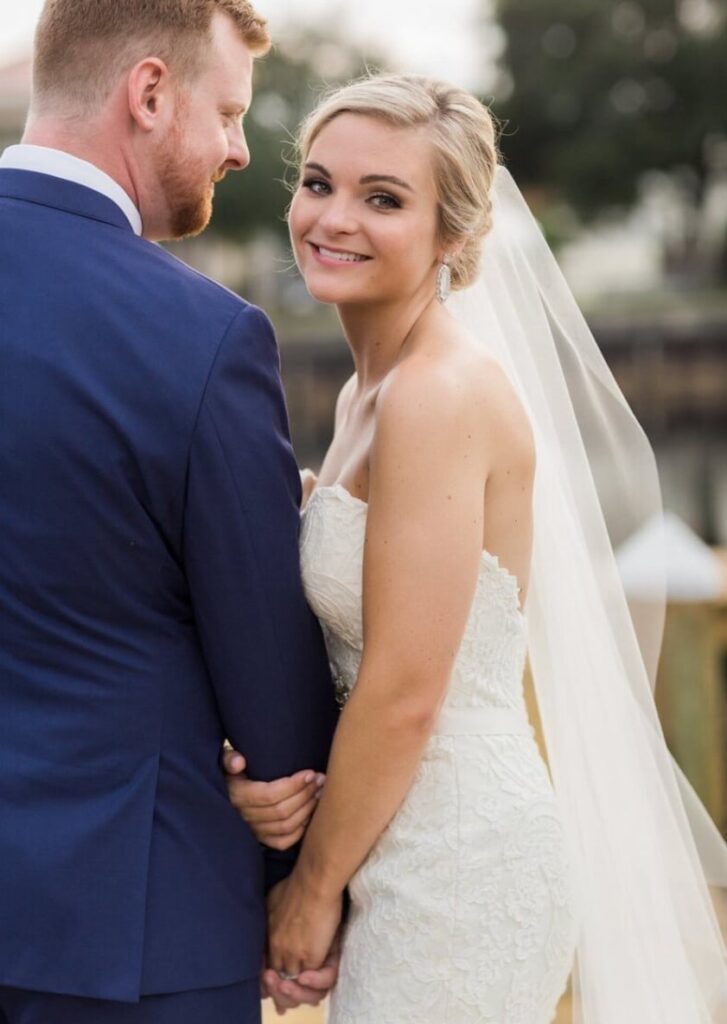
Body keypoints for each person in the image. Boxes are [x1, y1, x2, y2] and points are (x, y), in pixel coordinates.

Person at [228, 74, 727, 1022]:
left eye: (383, 199)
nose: (333, 218)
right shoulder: (363, 395)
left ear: (453, 239)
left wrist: (310, 889)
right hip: (396, 834)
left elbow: (407, 692)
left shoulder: (435, 395)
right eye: (320, 183)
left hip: (453, 860)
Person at [0, 2, 339, 1022]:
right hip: (131, 919)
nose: (240, 150)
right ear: (148, 95)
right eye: (229, 113)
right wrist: (283, 794)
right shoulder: (200, 337)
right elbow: (268, 676)